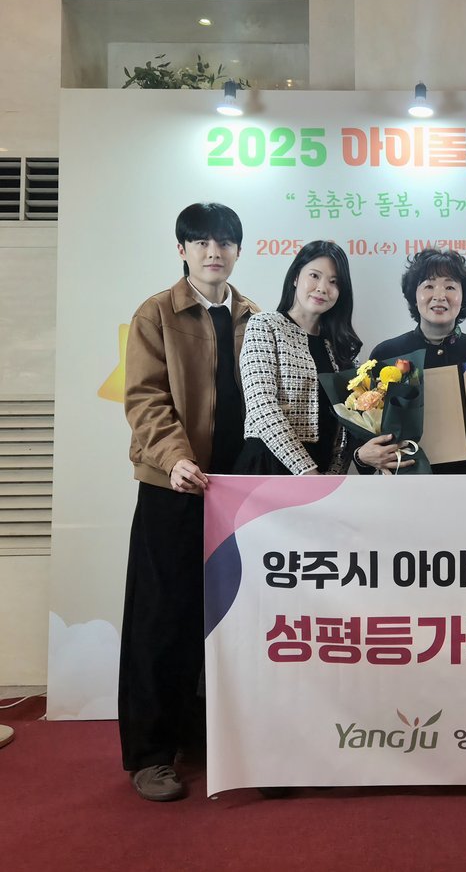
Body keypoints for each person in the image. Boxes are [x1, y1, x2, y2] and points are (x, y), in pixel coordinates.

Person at [121, 202, 258, 801]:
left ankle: (213, 736)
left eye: (224, 242)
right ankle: (151, 754)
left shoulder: (256, 318)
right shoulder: (155, 313)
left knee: (233, 618)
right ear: (182, 250)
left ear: (237, 251)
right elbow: (145, 399)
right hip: (174, 487)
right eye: (200, 241)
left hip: (239, 494)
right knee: (163, 619)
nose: (213, 252)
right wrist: (175, 458)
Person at [236, 240, 399, 475]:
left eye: (334, 282)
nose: (322, 288)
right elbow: (261, 407)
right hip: (268, 467)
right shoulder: (265, 325)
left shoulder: (341, 348)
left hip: (322, 477)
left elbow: (346, 428)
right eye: (314, 276)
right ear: (295, 277)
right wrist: (307, 473)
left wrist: (331, 477)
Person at [369, 247, 466, 471]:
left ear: (463, 297)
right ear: (414, 294)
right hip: (408, 478)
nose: (439, 295)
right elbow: (369, 431)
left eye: (450, 287)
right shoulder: (386, 354)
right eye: (429, 286)